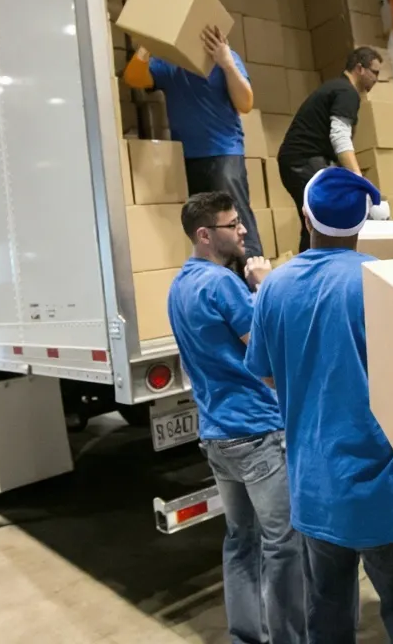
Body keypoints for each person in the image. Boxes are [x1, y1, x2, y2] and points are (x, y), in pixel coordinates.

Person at [245, 167, 393, 644]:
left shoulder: (274, 288)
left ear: (305, 216)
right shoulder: (385, 281)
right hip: (388, 493)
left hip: (316, 493)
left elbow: (267, 372)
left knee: (328, 625)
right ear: (363, 223)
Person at [167, 192, 304, 644]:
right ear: (205, 235)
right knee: (283, 542)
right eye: (232, 224)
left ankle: (246, 636)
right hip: (256, 431)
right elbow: (265, 346)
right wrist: (265, 286)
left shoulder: (179, 286)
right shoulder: (222, 284)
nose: (243, 229)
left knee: (240, 540)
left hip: (217, 434)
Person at [125, 26, 265, 259]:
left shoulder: (224, 57)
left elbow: (245, 103)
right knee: (205, 229)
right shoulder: (168, 64)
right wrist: (146, 46)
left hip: (224, 153)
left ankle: (254, 276)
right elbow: (133, 78)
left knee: (234, 222)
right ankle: (221, 277)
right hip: (188, 159)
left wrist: (227, 64)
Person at [276, 47, 383, 253]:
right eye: (374, 72)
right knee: (321, 220)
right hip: (303, 160)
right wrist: (359, 180)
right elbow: (340, 137)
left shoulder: (337, 88)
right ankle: (315, 268)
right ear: (360, 68)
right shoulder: (347, 92)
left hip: (298, 160)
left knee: (317, 221)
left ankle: (314, 266)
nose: (376, 79)